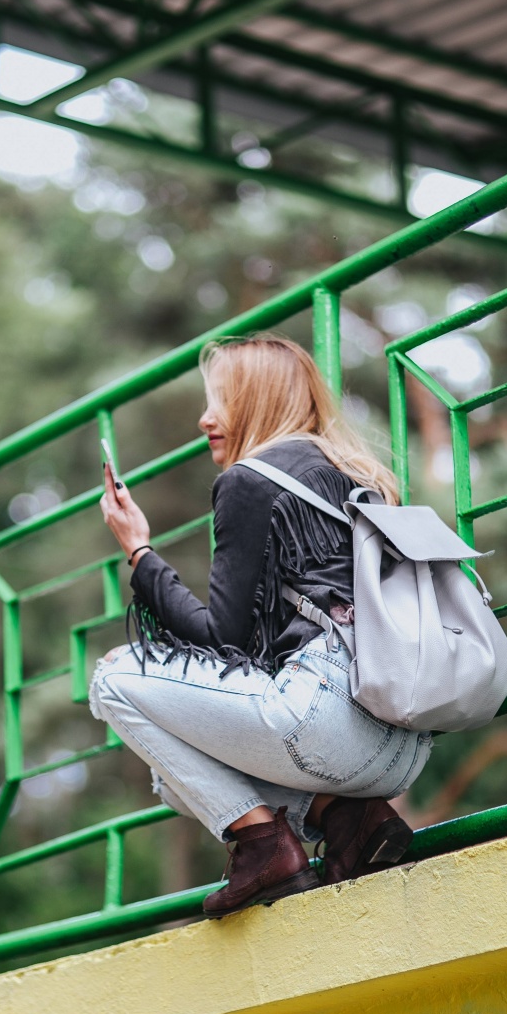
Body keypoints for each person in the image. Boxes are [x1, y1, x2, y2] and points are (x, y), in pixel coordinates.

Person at [89, 334, 432, 918]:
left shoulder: (249, 481)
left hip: (327, 719)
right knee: (176, 779)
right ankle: (346, 817)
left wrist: (140, 553)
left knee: (113, 678)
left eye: (220, 399)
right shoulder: (357, 476)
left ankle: (266, 847)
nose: (204, 418)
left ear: (257, 402)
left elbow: (219, 642)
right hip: (404, 743)